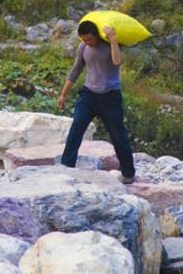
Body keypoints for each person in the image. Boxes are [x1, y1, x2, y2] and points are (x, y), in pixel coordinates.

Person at [58, 20, 136, 184]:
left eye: (89, 39)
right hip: (88, 96)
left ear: (97, 36)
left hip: (110, 97)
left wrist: (113, 39)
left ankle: (128, 173)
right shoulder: (83, 47)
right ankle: (65, 168)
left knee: (118, 135)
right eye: (84, 39)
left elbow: (117, 62)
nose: (87, 42)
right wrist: (63, 95)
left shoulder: (109, 45)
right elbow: (76, 70)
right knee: (76, 129)